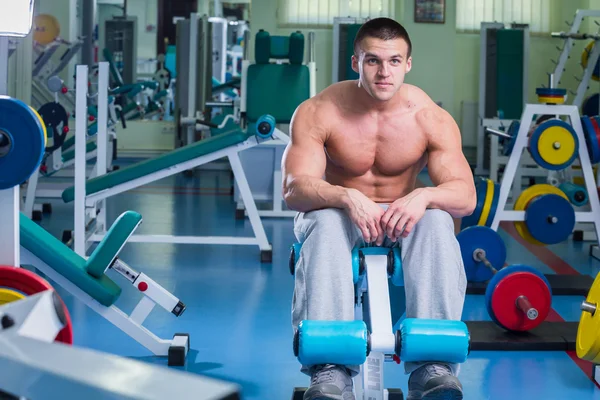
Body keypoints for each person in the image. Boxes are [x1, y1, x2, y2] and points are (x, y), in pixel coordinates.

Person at [281, 17, 476, 400]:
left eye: (393, 61)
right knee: (324, 219)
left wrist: (422, 196)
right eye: (373, 61)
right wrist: (345, 196)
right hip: (342, 217)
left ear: (408, 64)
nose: (383, 72)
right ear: (356, 62)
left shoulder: (429, 118)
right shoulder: (319, 110)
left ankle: (433, 368)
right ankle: (330, 370)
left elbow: (465, 197)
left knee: (437, 220)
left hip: (402, 219)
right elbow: (294, 190)